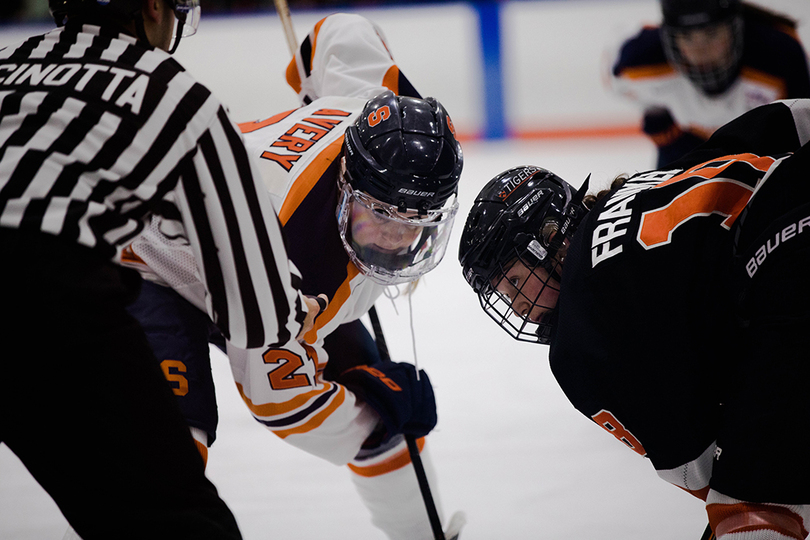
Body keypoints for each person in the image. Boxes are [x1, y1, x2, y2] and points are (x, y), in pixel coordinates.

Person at [123, 13, 466, 540]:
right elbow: (280, 401)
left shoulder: (377, 114)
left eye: (417, 223)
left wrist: (310, 86)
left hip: (263, 262)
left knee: (385, 422)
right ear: (347, 189)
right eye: (383, 218)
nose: (399, 241)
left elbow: (341, 33)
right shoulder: (288, 253)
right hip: (154, 259)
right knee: (163, 450)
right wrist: (369, 410)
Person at [0, 0, 324, 538]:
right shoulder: (176, 96)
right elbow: (257, 313)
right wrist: (298, 308)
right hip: (41, 292)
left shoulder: (9, 63)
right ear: (153, 7)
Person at [458, 98, 810, 540]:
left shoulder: (578, 342)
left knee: (750, 517)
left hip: (789, 275)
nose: (513, 304)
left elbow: (696, 468)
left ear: (549, 240)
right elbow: (784, 120)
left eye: (512, 281)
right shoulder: (645, 184)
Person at [608, 0, 810, 168]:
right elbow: (636, 95)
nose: (700, 50)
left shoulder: (780, 56)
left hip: (759, 155)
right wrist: (665, 131)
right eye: (686, 37)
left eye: (711, 34)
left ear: (735, 28)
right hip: (687, 147)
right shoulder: (638, 60)